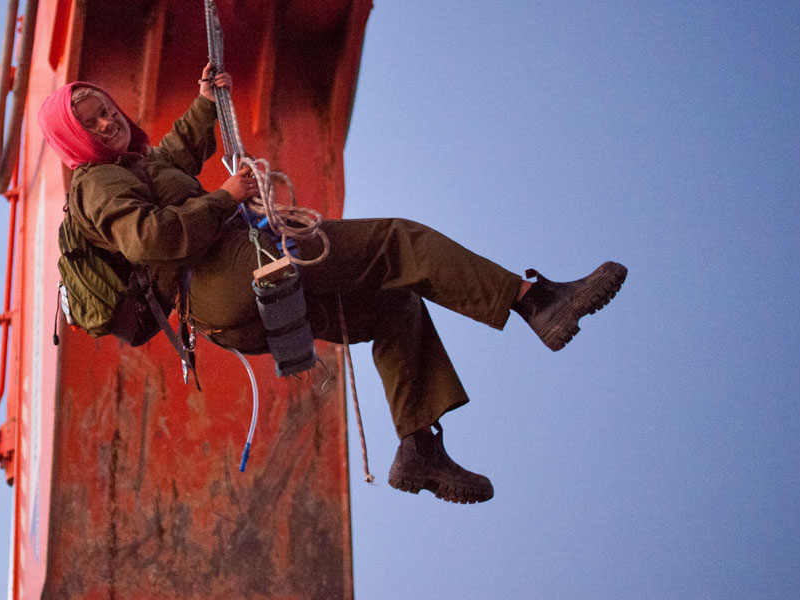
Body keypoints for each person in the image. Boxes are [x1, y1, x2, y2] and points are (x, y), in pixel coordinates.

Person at [37, 65, 626, 505]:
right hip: (226, 277)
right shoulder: (95, 185)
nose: (107, 121)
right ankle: (537, 302)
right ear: (73, 139)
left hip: (231, 309)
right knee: (398, 242)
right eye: (89, 122)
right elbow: (152, 238)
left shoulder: (136, 166)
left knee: (395, 304)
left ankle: (419, 449)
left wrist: (205, 100)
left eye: (107, 109)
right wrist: (225, 199)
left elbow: (177, 153)